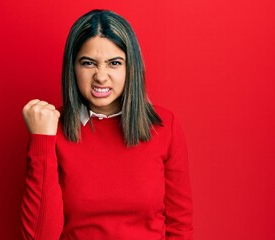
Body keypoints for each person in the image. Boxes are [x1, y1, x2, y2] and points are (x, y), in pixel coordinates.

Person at [21, 9, 193, 240]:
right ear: (72, 68)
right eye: (88, 63)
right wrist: (42, 142)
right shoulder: (52, 129)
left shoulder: (164, 126)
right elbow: (41, 236)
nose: (101, 76)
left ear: (130, 67)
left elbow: (180, 226)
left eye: (114, 63)